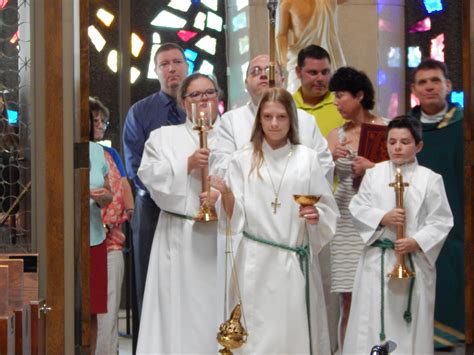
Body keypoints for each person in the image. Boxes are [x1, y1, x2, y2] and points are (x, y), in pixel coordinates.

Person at [211, 87, 339, 354]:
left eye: (281, 116)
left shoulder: (307, 159)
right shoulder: (242, 159)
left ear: (291, 120)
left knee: (292, 333)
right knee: (259, 335)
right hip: (255, 262)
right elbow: (235, 215)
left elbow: (326, 207)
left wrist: (317, 216)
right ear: (259, 120)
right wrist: (225, 193)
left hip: (293, 259)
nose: (274, 123)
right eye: (267, 116)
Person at [344, 116, 453, 354]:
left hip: (414, 262)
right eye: (392, 142)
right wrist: (383, 217)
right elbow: (358, 207)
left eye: (404, 142)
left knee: (409, 321)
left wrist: (417, 241)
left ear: (419, 146)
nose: (397, 147)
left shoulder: (430, 179)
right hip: (377, 260)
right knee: (372, 320)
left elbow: (441, 220)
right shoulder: (374, 174)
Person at [136, 73, 221, 353]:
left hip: (221, 239)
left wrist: (223, 194)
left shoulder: (233, 139)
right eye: (195, 95)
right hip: (179, 236)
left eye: (209, 93)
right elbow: (147, 175)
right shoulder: (163, 137)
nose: (203, 100)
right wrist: (185, 165)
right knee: (179, 312)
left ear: (218, 99)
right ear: (184, 103)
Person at [122, 42, 188, 345]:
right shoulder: (140, 113)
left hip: (198, 211)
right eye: (165, 64)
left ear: (186, 67)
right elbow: (136, 169)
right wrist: (172, 198)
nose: (172, 68)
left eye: (177, 62)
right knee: (151, 283)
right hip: (152, 210)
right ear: (156, 70)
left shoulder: (201, 106)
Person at [326, 66, 386, 350]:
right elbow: (323, 182)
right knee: (347, 298)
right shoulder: (334, 135)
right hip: (345, 222)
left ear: (359, 95)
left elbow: (400, 176)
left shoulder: (385, 129)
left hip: (376, 224)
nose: (336, 103)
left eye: (341, 96)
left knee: (377, 296)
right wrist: (328, 159)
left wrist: (372, 168)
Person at [210, 54, 333, 184]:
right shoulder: (231, 121)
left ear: (283, 81)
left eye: (270, 71)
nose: (263, 75)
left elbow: (324, 165)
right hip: (248, 199)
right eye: (255, 71)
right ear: (246, 83)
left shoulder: (306, 120)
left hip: (296, 198)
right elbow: (219, 167)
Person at [408, 58, 464, 346]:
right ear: (414, 89)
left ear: (448, 86)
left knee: (453, 281)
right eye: (423, 82)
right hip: (415, 221)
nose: (430, 87)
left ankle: (452, 342)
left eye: (435, 81)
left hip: (458, 218)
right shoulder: (405, 128)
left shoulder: (464, 125)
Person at [90, 97, 134, 355]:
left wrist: (128, 213)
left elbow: (123, 186)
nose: (99, 125)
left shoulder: (109, 154)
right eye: (94, 120)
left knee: (107, 310)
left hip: (110, 239)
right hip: (86, 236)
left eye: (102, 121)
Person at [276, 0, 346, 92]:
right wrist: (283, 61)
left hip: (327, 58)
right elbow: (281, 34)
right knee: (296, 95)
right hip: (300, 58)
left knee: (333, 95)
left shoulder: (326, 2)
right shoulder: (287, 3)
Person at [89, 110, 113, 354]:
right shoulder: (55, 144)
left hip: (94, 237)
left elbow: (108, 194)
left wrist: (104, 197)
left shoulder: (96, 151)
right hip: (62, 237)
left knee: (92, 310)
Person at [293, 45, 345, 137]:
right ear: (298, 72)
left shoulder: (344, 105)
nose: (320, 78)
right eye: (313, 73)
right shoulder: (287, 106)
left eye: (325, 72)